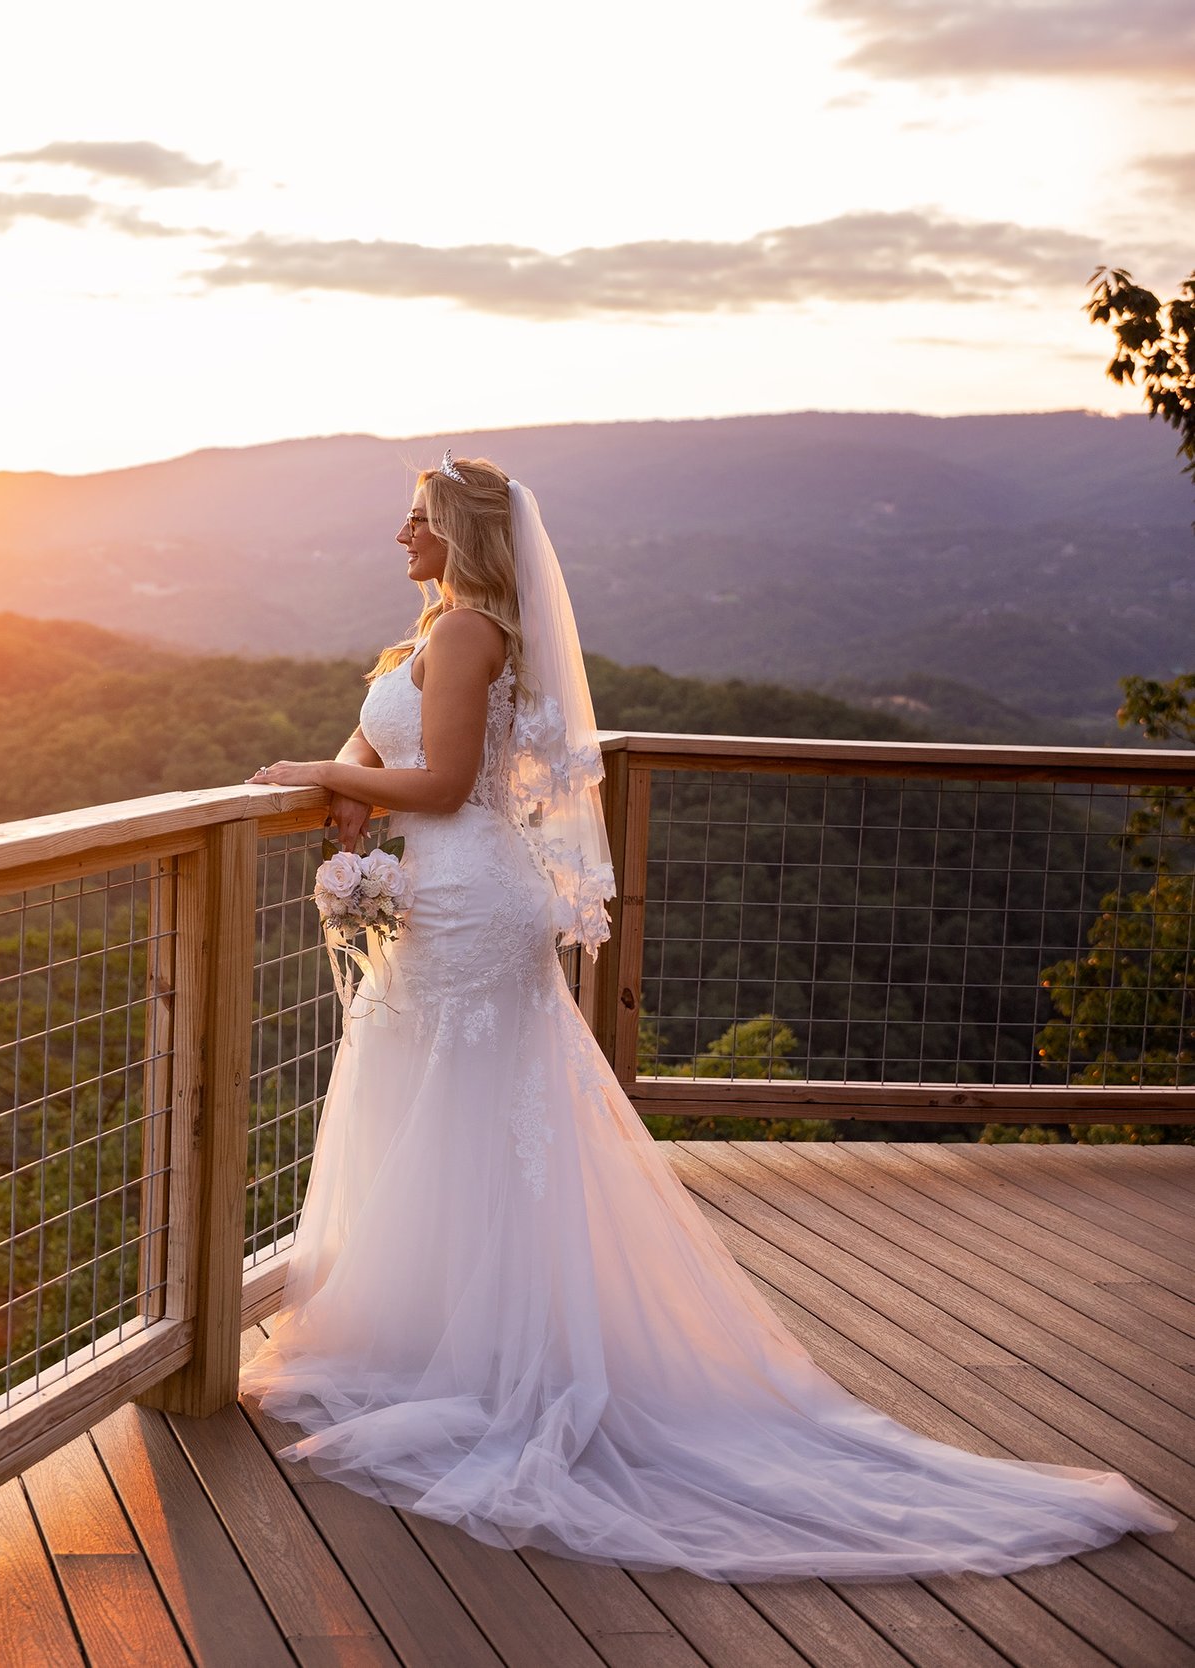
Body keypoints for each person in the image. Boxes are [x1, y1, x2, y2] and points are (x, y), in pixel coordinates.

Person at [237, 452, 1171, 1580]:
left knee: (473, 1116)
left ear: (465, 535)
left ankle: (486, 1360)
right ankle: (434, 1336)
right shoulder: (428, 635)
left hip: (470, 898)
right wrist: (335, 777)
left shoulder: (471, 633)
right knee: (427, 1109)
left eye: (418, 519)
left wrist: (303, 766)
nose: (399, 533)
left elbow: (437, 786)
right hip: (436, 898)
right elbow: (381, 747)